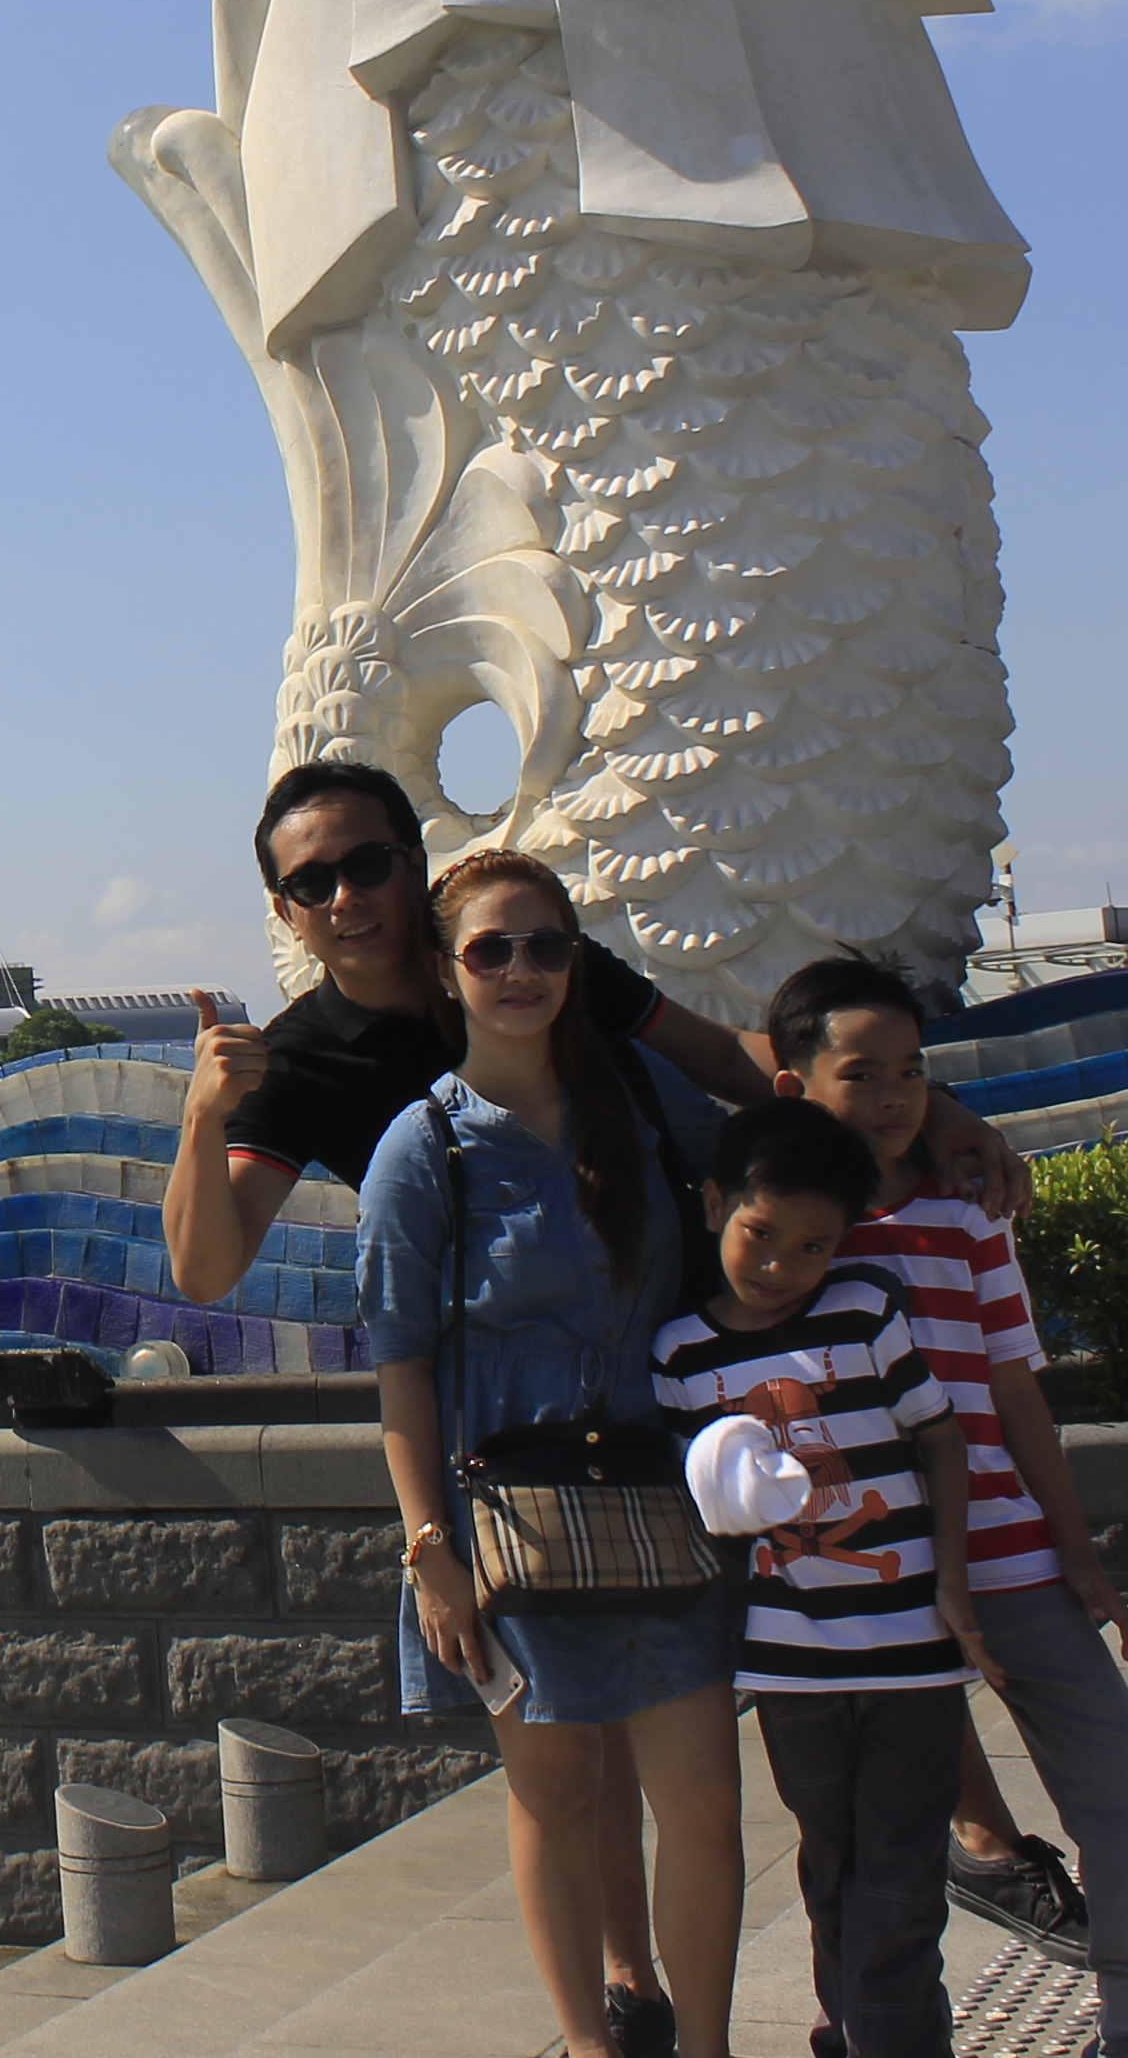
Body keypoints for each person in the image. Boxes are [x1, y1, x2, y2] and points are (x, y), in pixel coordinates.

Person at [166, 758, 1032, 2051]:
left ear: (416, 863)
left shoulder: (582, 1014)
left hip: (662, 1438)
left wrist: (922, 1105)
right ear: (286, 908)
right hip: (514, 1475)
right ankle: (623, 1996)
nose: (346, 895)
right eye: (312, 881)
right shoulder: (335, 1082)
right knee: (567, 1781)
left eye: (369, 863)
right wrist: (203, 1111)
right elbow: (225, 1275)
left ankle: (866, 1904)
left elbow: (743, 1076)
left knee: (716, 1761)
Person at [360, 849, 749, 2058]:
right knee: (557, 1794)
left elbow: (771, 1154)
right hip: (509, 1528)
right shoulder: (424, 1146)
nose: (521, 969)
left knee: (705, 1803)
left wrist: (936, 1124)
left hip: (659, 1502)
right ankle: (589, 2043)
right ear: (446, 970)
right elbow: (400, 1366)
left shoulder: (637, 1098)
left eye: (547, 945)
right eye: (492, 948)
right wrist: (430, 1554)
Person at [772, 953, 1128, 2058]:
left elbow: (1016, 1392)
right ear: (798, 1086)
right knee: (870, 1830)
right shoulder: (789, 1243)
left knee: (1114, 1775)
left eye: (913, 1071)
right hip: (869, 1574)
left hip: (1009, 1556)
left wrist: (1078, 1553)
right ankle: (867, 2025)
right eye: (863, 1074)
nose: (895, 1096)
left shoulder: (967, 1218)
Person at [653, 1099, 994, 2058]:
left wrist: (954, 1584)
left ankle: (886, 2036)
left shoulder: (864, 1312)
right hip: (790, 1668)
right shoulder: (679, 1357)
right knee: (833, 1861)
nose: (780, 1266)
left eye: (814, 1247)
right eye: (760, 1234)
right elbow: (698, 1510)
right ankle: (853, 2027)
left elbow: (940, 1439)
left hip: (911, 1656)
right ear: (715, 1205)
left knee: (902, 1867)